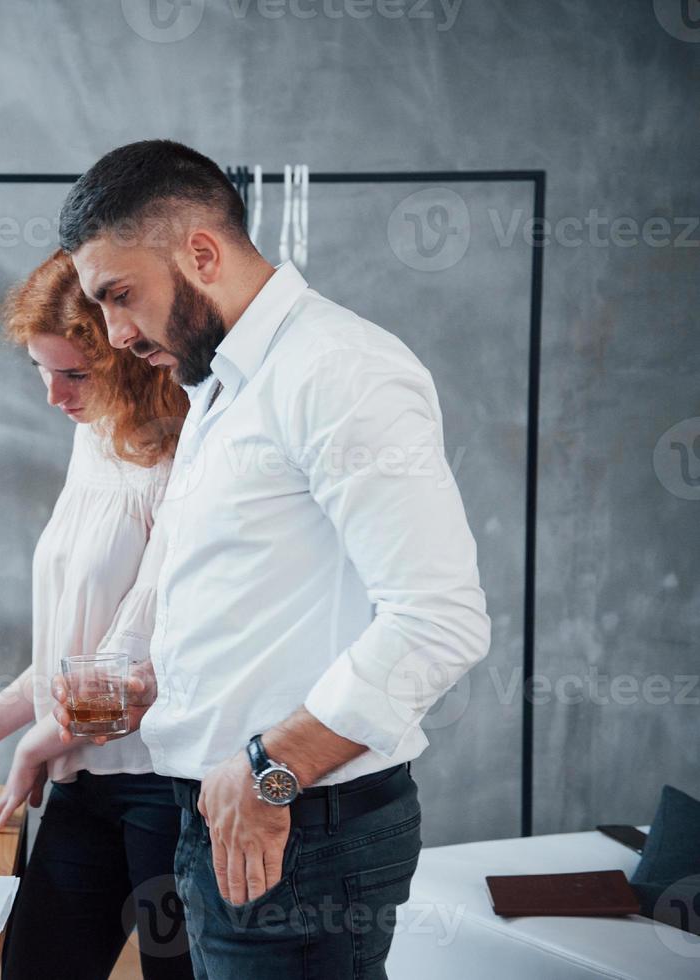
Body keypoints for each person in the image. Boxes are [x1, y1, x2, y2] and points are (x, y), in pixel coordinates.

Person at [48, 140, 491, 980]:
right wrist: (162, 686)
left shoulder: (338, 370)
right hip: (228, 815)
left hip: (301, 828)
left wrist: (269, 772)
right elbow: (260, 595)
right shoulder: (221, 387)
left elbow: (439, 622)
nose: (113, 333)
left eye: (119, 296)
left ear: (201, 254)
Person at [0, 250, 192, 980]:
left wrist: (33, 747)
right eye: (42, 371)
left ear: (129, 356)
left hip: (166, 784)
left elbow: (132, 664)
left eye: (75, 375)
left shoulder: (190, 462)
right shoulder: (93, 440)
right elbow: (75, 647)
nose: (54, 397)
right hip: (79, 774)